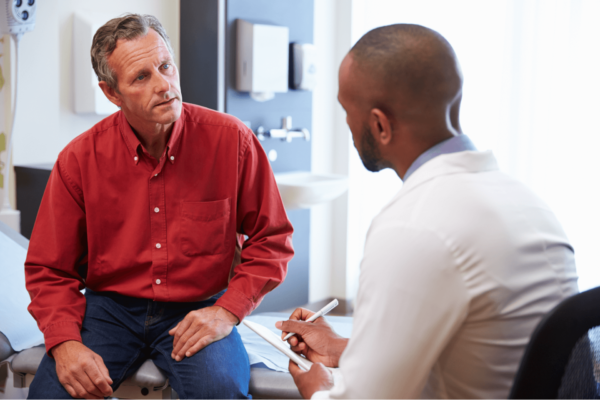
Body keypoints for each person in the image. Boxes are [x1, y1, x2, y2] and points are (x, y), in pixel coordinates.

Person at [277, 23, 578, 399]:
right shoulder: (527, 203)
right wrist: (346, 349)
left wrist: (316, 390)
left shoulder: (412, 226)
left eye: (345, 110)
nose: (347, 125)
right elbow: (485, 349)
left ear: (380, 125)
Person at [24, 14, 294, 399]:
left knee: (219, 391)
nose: (164, 85)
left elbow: (273, 239)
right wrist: (63, 341)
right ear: (111, 93)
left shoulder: (232, 140)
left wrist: (228, 310)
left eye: (165, 66)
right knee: (52, 395)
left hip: (199, 307)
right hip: (109, 311)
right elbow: (49, 268)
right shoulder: (79, 160)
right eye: (141, 77)